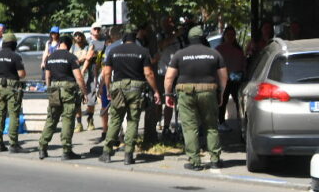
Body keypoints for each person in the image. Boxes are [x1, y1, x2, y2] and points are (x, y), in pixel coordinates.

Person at [164, 26, 228, 170]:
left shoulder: (179, 54)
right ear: (203, 38)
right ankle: (215, 160)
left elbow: (169, 77)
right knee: (211, 126)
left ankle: (195, 161)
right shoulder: (214, 53)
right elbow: (224, 76)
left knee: (190, 127)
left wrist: (168, 94)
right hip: (208, 91)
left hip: (186, 93)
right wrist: (221, 92)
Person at [99, 31, 161, 165]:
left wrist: (109, 89)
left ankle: (107, 152)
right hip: (136, 89)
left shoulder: (113, 51)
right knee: (133, 121)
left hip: (118, 88)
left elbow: (107, 73)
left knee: (115, 119)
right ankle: (128, 154)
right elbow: (149, 73)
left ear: (123, 39)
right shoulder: (142, 51)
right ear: (135, 39)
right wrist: (156, 91)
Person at [38, 34, 88, 159]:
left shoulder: (50, 57)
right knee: (67, 119)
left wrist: (50, 90)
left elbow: (47, 77)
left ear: (59, 43)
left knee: (51, 119)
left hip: (54, 89)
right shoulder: (71, 57)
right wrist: (84, 92)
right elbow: (79, 77)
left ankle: (42, 148)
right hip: (68, 90)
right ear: (70, 45)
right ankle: (66, 150)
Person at [0, 33, 27, 153]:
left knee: (0, 114)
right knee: (13, 115)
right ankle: (13, 144)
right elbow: (21, 74)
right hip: (12, 88)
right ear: (13, 43)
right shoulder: (15, 56)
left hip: (0, 87)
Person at [215, 26, 247, 130]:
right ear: (224, 36)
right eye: (228, 35)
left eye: (232, 35)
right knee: (222, 102)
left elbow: (243, 63)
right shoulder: (219, 49)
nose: (230, 37)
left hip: (236, 79)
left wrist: (242, 73)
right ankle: (221, 122)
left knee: (239, 101)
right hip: (223, 79)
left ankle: (241, 120)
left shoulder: (238, 49)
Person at [71, 31, 97, 132]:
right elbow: (72, 61)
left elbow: (89, 57)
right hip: (76, 77)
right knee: (77, 101)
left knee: (91, 101)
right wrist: (82, 58)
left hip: (88, 77)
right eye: (76, 35)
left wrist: (82, 68)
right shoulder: (72, 47)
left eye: (80, 35)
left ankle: (90, 120)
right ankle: (79, 123)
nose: (78, 37)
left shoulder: (89, 45)